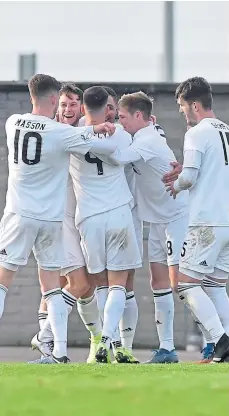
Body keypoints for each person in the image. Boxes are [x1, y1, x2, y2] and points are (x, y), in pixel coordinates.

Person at [0, 73, 118, 364]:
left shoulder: (12, 121)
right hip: (51, 220)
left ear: (31, 96)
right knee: (52, 286)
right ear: (55, 100)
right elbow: (89, 138)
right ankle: (60, 352)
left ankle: (54, 350)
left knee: (3, 281)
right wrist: (103, 126)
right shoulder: (61, 133)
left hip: (19, 214)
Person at [106, 91, 189, 363]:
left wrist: (92, 132)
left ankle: (214, 339)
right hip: (155, 219)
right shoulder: (147, 133)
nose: (121, 122)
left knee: (185, 285)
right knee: (158, 281)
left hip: (176, 215)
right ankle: (167, 349)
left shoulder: (147, 139)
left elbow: (117, 156)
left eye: (123, 118)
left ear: (139, 116)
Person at [30, 83, 102, 364]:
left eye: (74, 104)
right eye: (64, 104)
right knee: (79, 283)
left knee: (70, 285)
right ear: (56, 106)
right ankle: (47, 338)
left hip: (80, 217)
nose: (68, 109)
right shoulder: (48, 129)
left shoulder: (83, 125)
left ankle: (60, 348)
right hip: (57, 219)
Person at [70, 86, 142, 363]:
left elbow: (65, 138)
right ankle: (111, 340)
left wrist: (88, 131)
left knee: (100, 284)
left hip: (88, 218)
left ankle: (102, 341)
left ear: (83, 107)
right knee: (119, 285)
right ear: (107, 108)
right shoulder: (120, 133)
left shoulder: (70, 135)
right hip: (118, 213)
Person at [165, 76, 229, 363]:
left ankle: (219, 340)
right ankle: (225, 347)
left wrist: (175, 185)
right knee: (215, 285)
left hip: (207, 222)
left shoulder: (197, 133)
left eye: (181, 106)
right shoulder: (226, 131)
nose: (181, 112)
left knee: (186, 283)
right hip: (227, 221)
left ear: (194, 105)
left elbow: (189, 177)